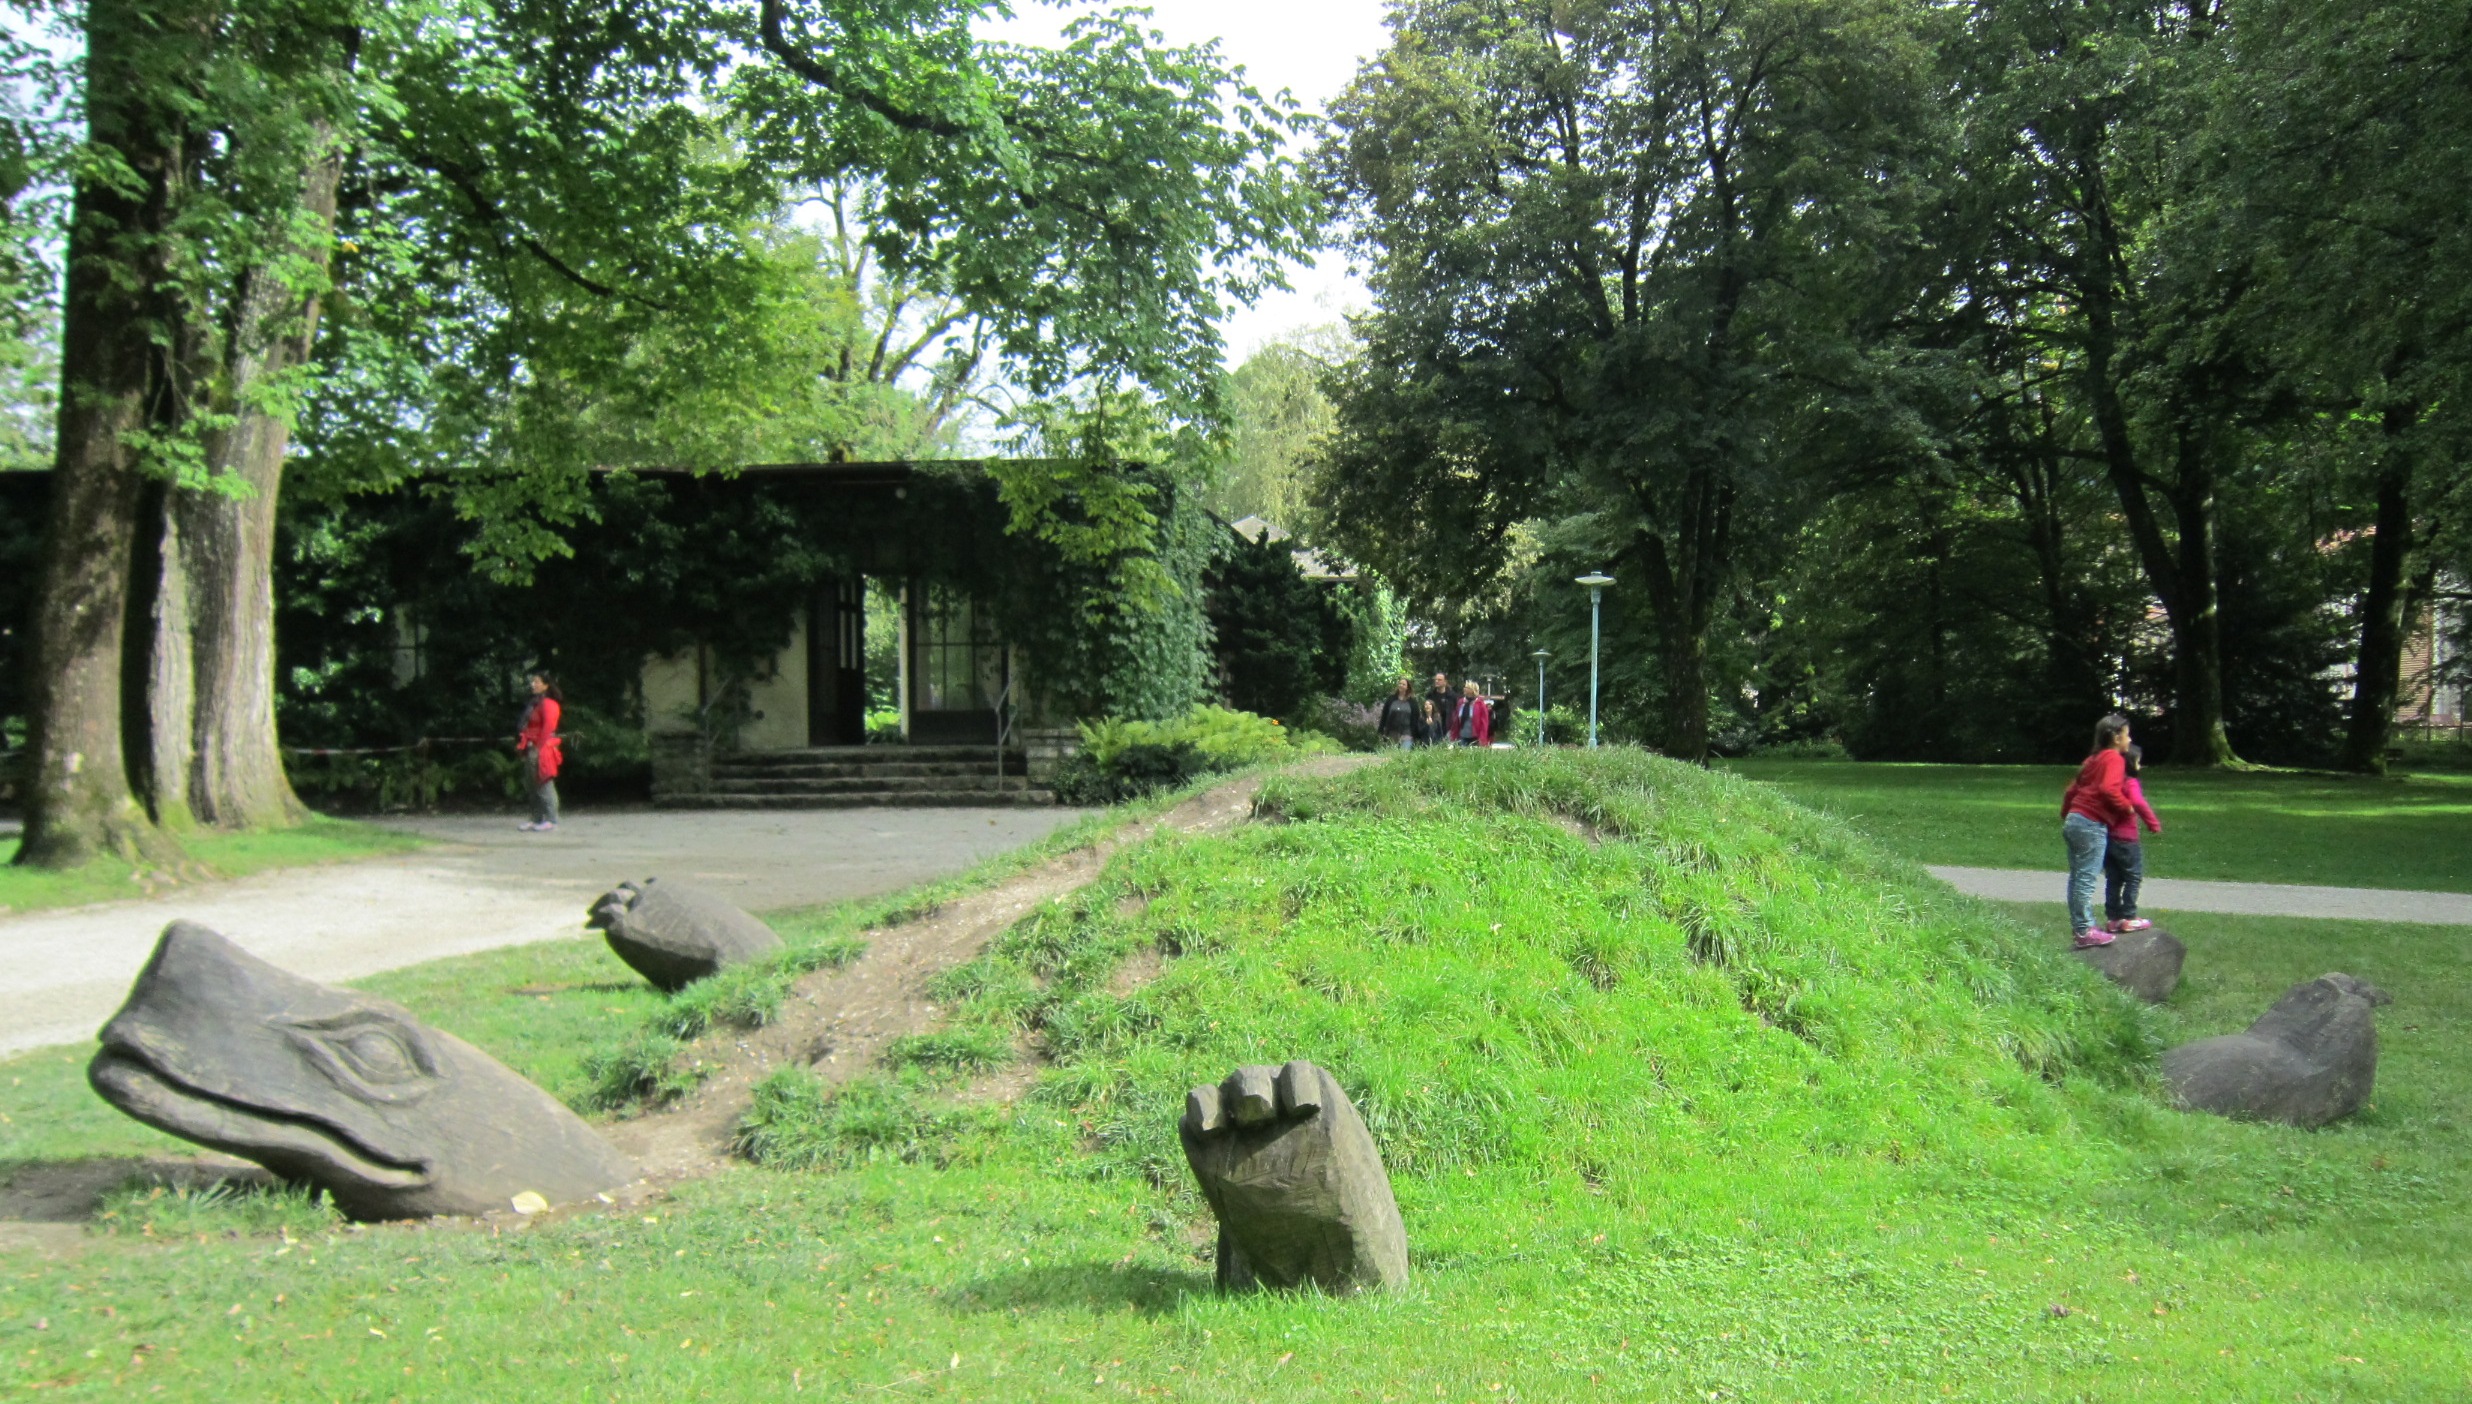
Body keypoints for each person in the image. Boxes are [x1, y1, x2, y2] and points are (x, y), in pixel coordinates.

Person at [2060, 713, 2135, 947]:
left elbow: (2071, 791)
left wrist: (2069, 815)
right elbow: (2107, 789)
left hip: (2075, 820)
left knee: (2077, 878)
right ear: (2115, 737)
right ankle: (2085, 931)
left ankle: (2080, 928)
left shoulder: (2091, 760)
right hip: (2091, 824)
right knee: (2085, 879)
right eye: (2126, 734)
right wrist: (2127, 807)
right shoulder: (2113, 759)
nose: (2129, 739)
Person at [2103, 743, 2163, 934]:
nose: (2140, 765)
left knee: (2113, 879)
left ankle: (2113, 918)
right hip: (2127, 840)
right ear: (2131, 763)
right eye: (2138, 762)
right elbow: (2138, 802)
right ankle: (2129, 917)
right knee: (2133, 877)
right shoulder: (2130, 783)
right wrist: (2153, 823)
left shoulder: (2112, 783)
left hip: (2108, 838)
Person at [516, 670, 563, 832]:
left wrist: (540, 747)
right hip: (531, 746)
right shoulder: (535, 703)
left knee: (544, 783)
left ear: (545, 685)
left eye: (537, 682)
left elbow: (548, 726)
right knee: (532, 784)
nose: (533, 684)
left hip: (541, 747)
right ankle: (536, 818)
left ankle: (551, 819)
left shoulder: (549, 704)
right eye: (533, 681)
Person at [1377, 678, 1420, 750]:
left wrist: (1416, 733)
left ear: (1407, 687)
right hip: (1392, 732)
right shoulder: (1391, 699)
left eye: (1403, 684)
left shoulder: (1412, 702)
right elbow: (1384, 715)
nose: (1401, 685)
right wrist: (1381, 729)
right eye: (1400, 684)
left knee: (1405, 755)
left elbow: (1416, 718)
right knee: (1391, 755)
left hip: (1407, 732)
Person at [1450, 678, 1493, 747]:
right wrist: (1453, 736)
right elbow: (1456, 720)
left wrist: (1482, 740)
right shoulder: (1461, 702)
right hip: (1462, 736)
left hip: (1476, 738)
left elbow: (1484, 723)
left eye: (1467, 687)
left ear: (1472, 690)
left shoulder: (1480, 704)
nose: (1464, 689)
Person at [1421, 672, 1455, 749]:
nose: (1436, 681)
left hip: (1448, 728)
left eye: (1439, 680)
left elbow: (1455, 711)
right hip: (1434, 727)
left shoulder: (1452, 696)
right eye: (1435, 679)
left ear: (1445, 682)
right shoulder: (1430, 695)